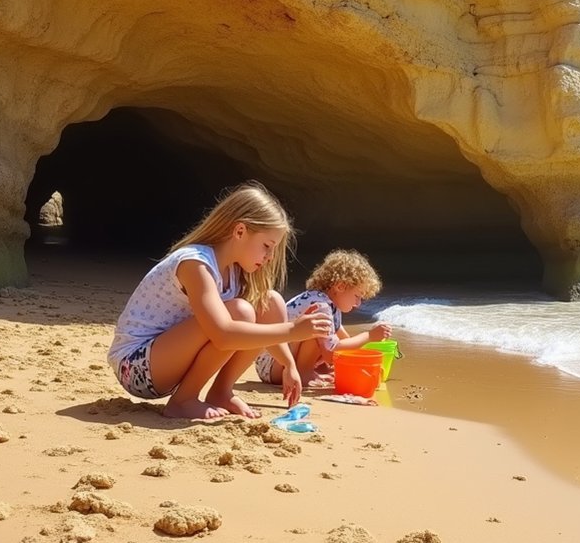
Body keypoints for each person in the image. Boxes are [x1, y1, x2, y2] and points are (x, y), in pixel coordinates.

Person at [106, 180, 335, 420]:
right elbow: (223, 334)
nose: (269, 257)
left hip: (163, 361)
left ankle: (221, 391)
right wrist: (292, 330)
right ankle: (183, 401)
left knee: (268, 301)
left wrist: (289, 365)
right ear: (239, 231)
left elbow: (262, 320)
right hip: (135, 367)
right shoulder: (196, 264)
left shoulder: (234, 272)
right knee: (240, 313)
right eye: (267, 246)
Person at [255, 248, 391, 387]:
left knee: (328, 338)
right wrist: (369, 336)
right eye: (357, 296)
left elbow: (345, 341)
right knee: (317, 330)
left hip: (273, 364)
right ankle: (304, 373)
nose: (358, 303)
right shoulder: (321, 305)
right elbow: (330, 353)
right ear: (340, 286)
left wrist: (363, 363)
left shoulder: (330, 304)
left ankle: (310, 370)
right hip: (273, 365)